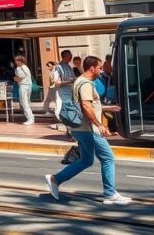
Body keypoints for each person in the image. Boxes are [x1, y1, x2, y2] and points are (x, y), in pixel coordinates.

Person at [45, 56, 131, 205]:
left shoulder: (79, 81)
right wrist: (100, 124)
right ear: (92, 68)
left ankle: (55, 179)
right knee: (108, 158)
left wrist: (107, 108)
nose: (101, 70)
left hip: (80, 129)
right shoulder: (85, 84)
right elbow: (85, 106)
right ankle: (110, 194)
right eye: (99, 68)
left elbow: (87, 105)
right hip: (89, 129)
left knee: (86, 160)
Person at [51, 50, 76, 131]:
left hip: (70, 92)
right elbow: (56, 82)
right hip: (62, 93)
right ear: (65, 56)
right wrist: (70, 81)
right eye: (70, 55)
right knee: (60, 110)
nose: (71, 57)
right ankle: (67, 128)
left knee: (70, 110)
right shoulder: (58, 67)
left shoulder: (69, 66)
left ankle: (69, 128)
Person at [13, 56, 34, 125]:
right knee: (26, 102)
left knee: (24, 102)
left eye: (16, 61)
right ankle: (29, 117)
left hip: (23, 86)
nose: (15, 62)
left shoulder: (19, 68)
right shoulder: (26, 67)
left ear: (20, 61)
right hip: (28, 85)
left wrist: (15, 78)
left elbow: (19, 78)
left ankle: (30, 118)